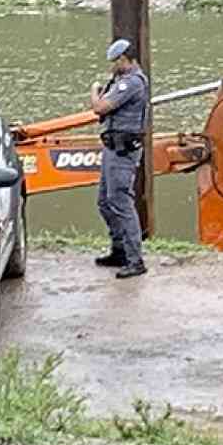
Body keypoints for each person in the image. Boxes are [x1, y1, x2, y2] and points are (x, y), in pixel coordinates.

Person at [89, 38, 150, 279]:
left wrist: (94, 92)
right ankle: (119, 250)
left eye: (115, 62)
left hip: (123, 151)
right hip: (112, 148)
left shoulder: (132, 83)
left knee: (121, 202)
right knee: (105, 201)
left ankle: (135, 259)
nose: (112, 66)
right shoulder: (121, 81)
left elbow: (100, 108)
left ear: (125, 60)